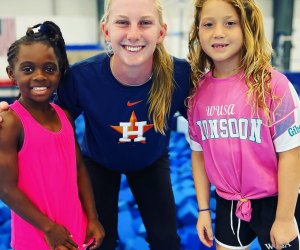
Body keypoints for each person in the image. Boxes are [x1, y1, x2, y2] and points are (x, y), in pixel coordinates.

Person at [0, 0, 191, 249]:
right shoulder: (82, 77)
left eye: (145, 22)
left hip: (150, 161)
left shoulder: (180, 75)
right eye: (122, 22)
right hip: (99, 162)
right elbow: (43, 113)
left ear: (161, 32)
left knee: (166, 239)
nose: (133, 34)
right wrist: (8, 112)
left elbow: (209, 114)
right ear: (106, 30)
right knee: (100, 239)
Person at [187, 0, 300, 249]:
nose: (218, 32)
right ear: (197, 32)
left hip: (276, 201)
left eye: (230, 23)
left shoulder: (274, 86)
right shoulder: (197, 94)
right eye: (208, 24)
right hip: (228, 201)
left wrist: (284, 218)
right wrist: (204, 209)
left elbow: (291, 154)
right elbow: (198, 155)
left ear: (247, 27)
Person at [0, 21, 105, 250]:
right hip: (37, 235)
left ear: (60, 71)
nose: (39, 76)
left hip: (73, 229)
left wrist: (93, 217)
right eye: (28, 69)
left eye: (49, 69)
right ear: (12, 74)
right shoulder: (10, 123)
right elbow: (6, 188)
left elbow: (78, 169)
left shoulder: (64, 116)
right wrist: (49, 229)